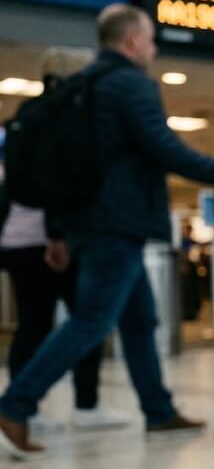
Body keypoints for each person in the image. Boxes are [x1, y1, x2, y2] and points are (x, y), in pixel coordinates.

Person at [0, 4, 214, 460]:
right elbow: (162, 147)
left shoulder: (85, 84)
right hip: (116, 224)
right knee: (91, 320)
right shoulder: (128, 83)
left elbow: (74, 166)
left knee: (139, 318)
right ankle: (14, 405)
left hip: (92, 221)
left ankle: (158, 411)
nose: (155, 47)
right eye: (151, 38)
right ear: (131, 41)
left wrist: (62, 230)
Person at [0, 47, 130, 433]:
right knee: (85, 318)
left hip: (18, 240)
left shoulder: (24, 116)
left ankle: (32, 407)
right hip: (56, 239)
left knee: (34, 324)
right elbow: (59, 181)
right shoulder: (65, 113)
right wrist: (59, 232)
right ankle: (77, 405)